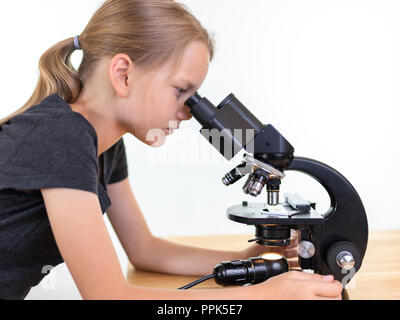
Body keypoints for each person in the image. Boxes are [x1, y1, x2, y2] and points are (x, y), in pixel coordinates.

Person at [0, 0, 342, 300]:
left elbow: (144, 251)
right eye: (181, 91)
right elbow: (108, 296)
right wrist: (262, 297)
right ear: (123, 75)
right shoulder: (63, 137)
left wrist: (244, 257)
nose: (188, 112)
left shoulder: (103, 146)